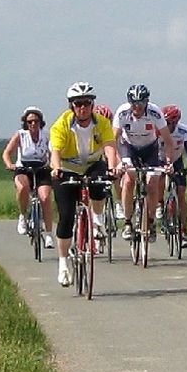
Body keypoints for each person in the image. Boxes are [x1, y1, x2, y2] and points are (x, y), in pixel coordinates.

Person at [49, 82, 120, 286]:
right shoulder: (61, 124)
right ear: (71, 106)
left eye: (86, 103)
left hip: (92, 164)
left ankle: (97, 220)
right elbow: (55, 152)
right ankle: (63, 264)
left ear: (92, 104)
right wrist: (55, 168)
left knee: (100, 184)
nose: (83, 107)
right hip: (66, 168)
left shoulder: (102, 123)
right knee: (66, 217)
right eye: (78, 103)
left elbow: (109, 147)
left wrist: (113, 167)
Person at [113, 84, 176, 242]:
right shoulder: (122, 112)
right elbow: (113, 142)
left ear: (147, 102)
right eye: (133, 103)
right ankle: (127, 222)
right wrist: (119, 163)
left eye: (140, 103)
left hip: (150, 149)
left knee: (152, 183)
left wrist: (168, 162)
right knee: (128, 180)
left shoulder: (155, 113)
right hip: (129, 148)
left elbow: (168, 141)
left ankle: (151, 221)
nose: (137, 106)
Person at [2, 106, 54, 248]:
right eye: (30, 121)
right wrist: (9, 164)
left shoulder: (47, 135)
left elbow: (53, 152)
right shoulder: (20, 135)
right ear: (25, 123)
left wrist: (55, 165)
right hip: (23, 168)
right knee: (23, 188)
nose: (33, 124)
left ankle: (49, 234)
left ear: (40, 122)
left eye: (36, 121)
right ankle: (23, 216)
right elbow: (6, 152)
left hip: (42, 168)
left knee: (45, 197)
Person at [161, 104, 187, 248]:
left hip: (176, 161)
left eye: (170, 122)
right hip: (159, 160)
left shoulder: (183, 130)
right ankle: (159, 205)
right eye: (165, 122)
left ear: (176, 121)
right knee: (156, 185)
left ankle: (183, 231)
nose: (168, 125)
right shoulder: (158, 129)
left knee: (181, 193)